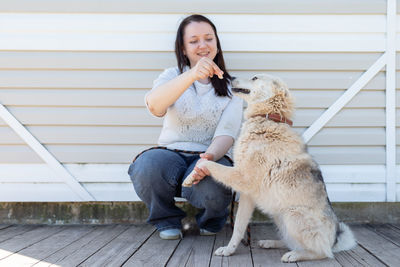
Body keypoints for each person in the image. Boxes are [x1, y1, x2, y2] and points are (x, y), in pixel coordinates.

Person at [128, 14, 243, 240]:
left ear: (217, 45)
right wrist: (191, 74)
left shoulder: (233, 87)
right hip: (170, 154)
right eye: (193, 41)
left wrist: (208, 158)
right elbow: (155, 106)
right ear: (183, 48)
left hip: (211, 155)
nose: (203, 45)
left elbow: (227, 134)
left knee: (215, 183)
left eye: (209, 39)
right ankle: (166, 220)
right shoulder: (171, 75)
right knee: (146, 165)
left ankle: (211, 219)